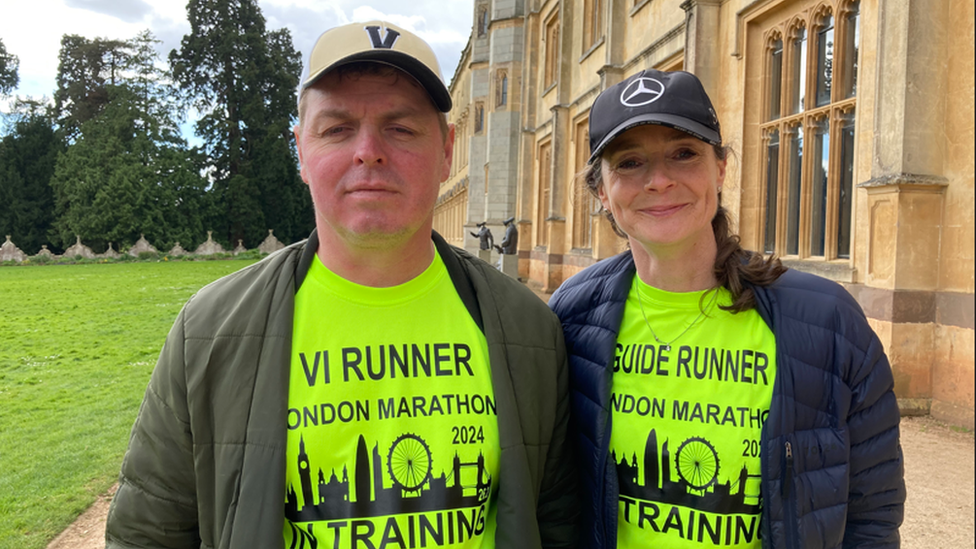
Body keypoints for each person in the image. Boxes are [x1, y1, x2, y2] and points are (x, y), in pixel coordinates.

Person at [105, 21, 577, 549]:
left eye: (400, 128)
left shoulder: (527, 330)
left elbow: (556, 522)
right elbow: (150, 532)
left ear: (447, 150)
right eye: (336, 128)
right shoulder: (211, 330)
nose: (368, 151)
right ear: (300, 152)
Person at [548, 69, 904, 548]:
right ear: (601, 192)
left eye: (684, 153)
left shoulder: (829, 323)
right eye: (629, 162)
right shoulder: (572, 316)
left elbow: (872, 517)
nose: (659, 180)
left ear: (720, 167)